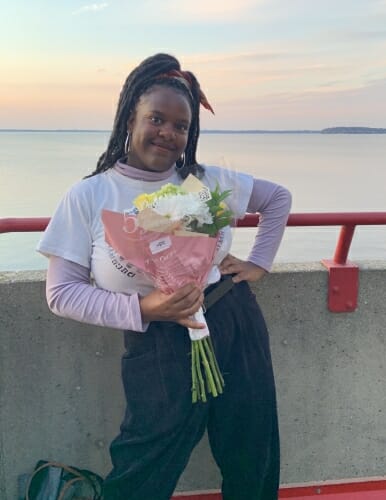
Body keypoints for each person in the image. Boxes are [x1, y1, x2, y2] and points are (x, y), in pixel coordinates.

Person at [37, 53, 292, 500]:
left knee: (252, 445)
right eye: (156, 118)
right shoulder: (90, 195)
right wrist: (144, 308)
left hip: (232, 317)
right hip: (156, 339)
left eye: (181, 126)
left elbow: (277, 199)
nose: (168, 133)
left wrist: (258, 263)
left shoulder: (205, 181)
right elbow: (61, 293)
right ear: (129, 118)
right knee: (145, 460)